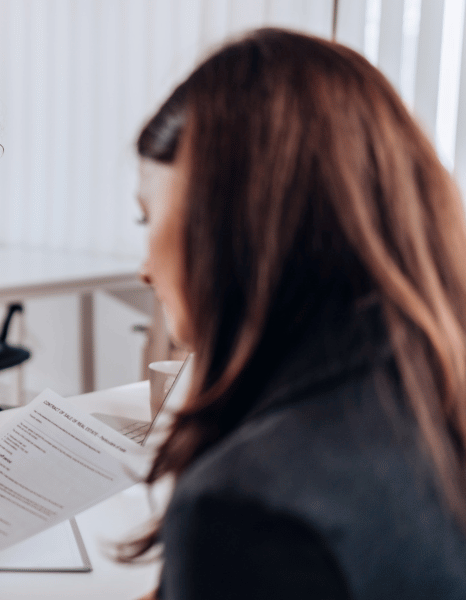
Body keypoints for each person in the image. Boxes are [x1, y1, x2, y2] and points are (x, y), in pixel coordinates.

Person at [130, 28, 466, 598]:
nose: (144, 269)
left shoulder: (246, 509)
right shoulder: (429, 389)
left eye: (148, 219)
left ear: (235, 230)